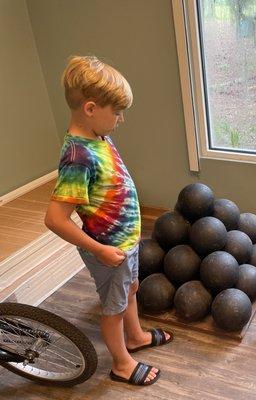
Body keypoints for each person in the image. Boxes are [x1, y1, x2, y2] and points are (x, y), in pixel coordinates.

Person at [44, 55, 172, 386]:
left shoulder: (97, 136)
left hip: (123, 244)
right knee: (113, 309)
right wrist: (99, 251)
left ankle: (136, 337)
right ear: (90, 109)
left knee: (130, 290)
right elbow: (55, 219)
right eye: (116, 112)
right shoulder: (77, 157)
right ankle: (121, 364)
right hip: (109, 250)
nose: (121, 119)